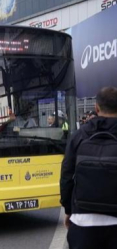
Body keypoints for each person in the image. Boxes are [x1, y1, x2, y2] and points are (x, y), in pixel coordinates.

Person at [61, 87, 117, 249]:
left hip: (83, 220)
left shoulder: (79, 135)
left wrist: (69, 209)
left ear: (97, 108)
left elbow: (66, 175)